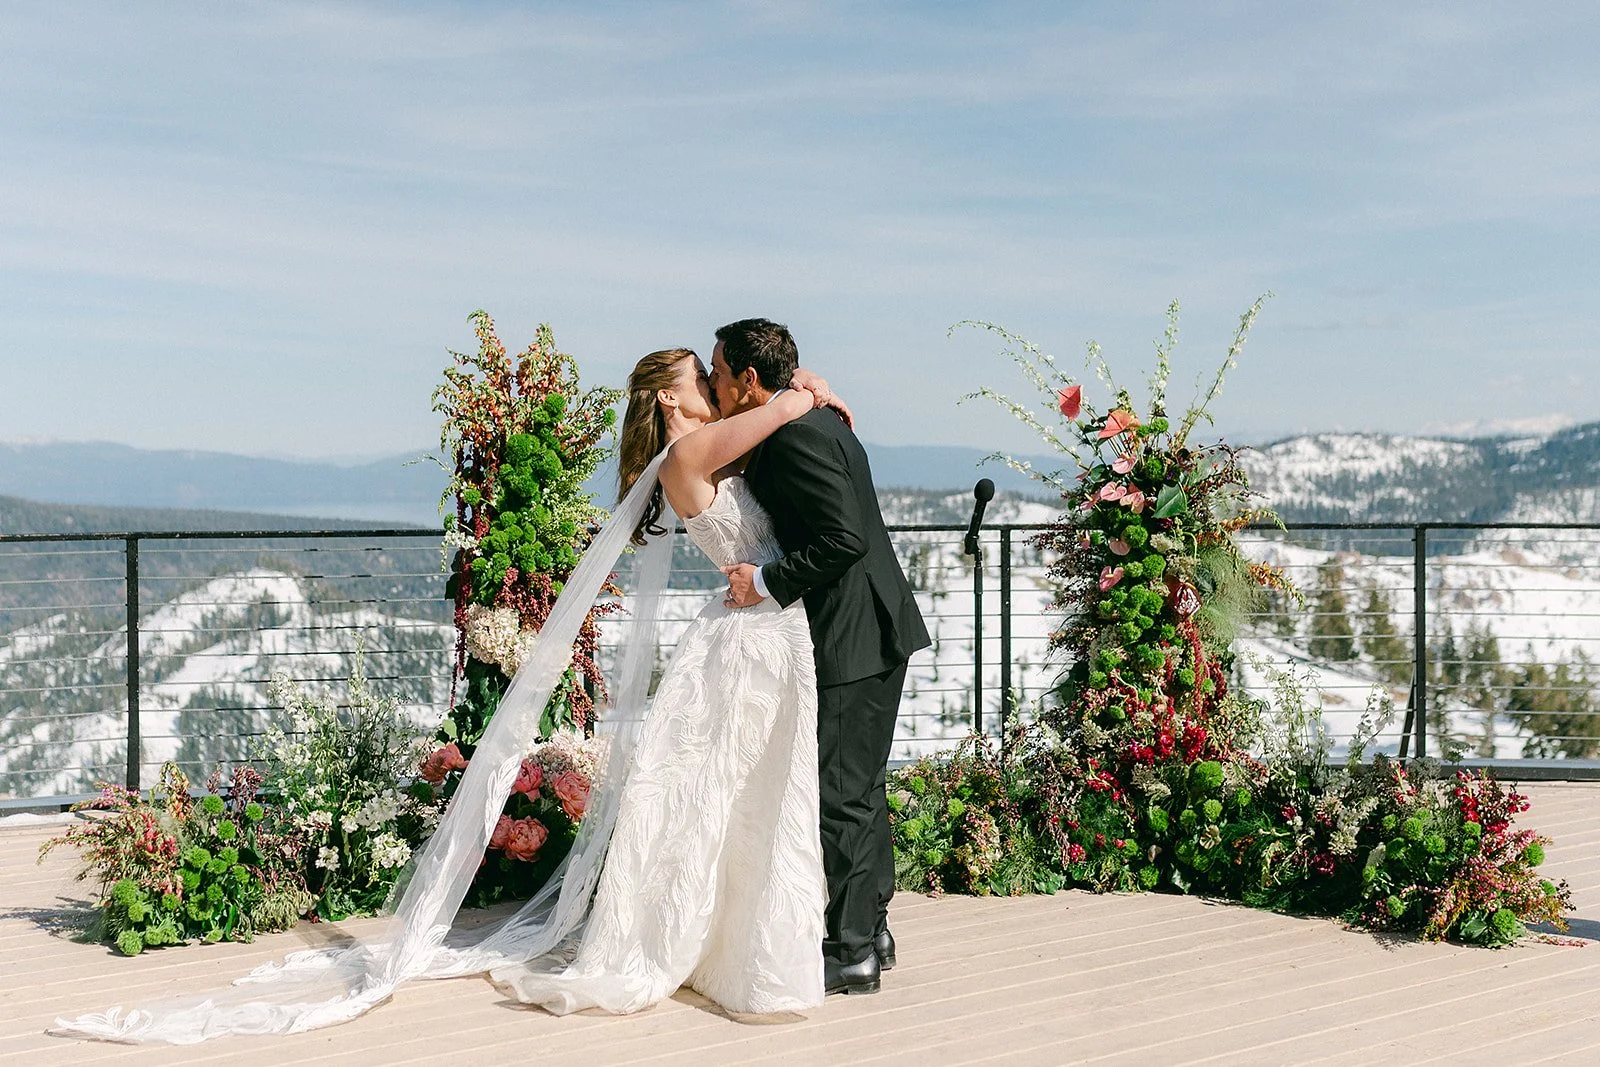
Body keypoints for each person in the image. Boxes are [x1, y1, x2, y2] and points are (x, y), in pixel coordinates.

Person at [53, 346, 857, 1042]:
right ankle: (711, 947)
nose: (716, 390)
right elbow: (775, 414)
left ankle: (732, 943)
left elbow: (771, 442)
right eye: (702, 379)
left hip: (762, 631)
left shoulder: (711, 449)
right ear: (671, 397)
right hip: (747, 633)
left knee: (745, 796)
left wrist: (798, 403)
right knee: (724, 793)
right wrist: (801, 392)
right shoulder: (691, 456)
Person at [713, 318, 931, 996]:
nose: (716, 385)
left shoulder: (797, 436)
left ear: (750, 381)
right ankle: (874, 930)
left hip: (855, 633)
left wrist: (765, 583)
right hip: (869, 628)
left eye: (720, 374)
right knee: (859, 789)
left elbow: (842, 538)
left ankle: (852, 950)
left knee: (842, 794)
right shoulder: (807, 420)